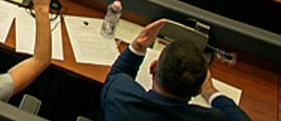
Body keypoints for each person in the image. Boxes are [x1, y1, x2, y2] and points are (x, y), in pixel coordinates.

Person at [101, 18, 250, 121]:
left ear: (153, 68)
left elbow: (117, 76)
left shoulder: (120, 95)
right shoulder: (213, 118)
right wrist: (211, 92)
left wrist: (138, 47)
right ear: (198, 90)